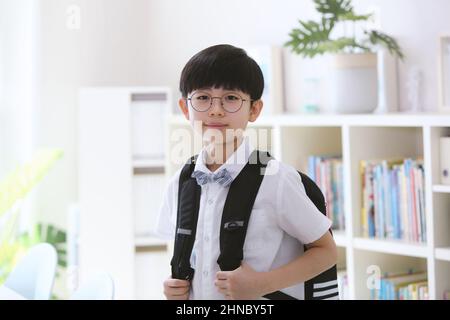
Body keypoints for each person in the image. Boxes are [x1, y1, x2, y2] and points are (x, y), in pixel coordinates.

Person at [155, 44, 337, 300]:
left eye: (230, 98)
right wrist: (175, 287)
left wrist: (261, 284)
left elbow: (326, 252)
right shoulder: (180, 183)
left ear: (254, 109)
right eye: (203, 98)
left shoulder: (276, 180)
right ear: (186, 108)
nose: (215, 109)